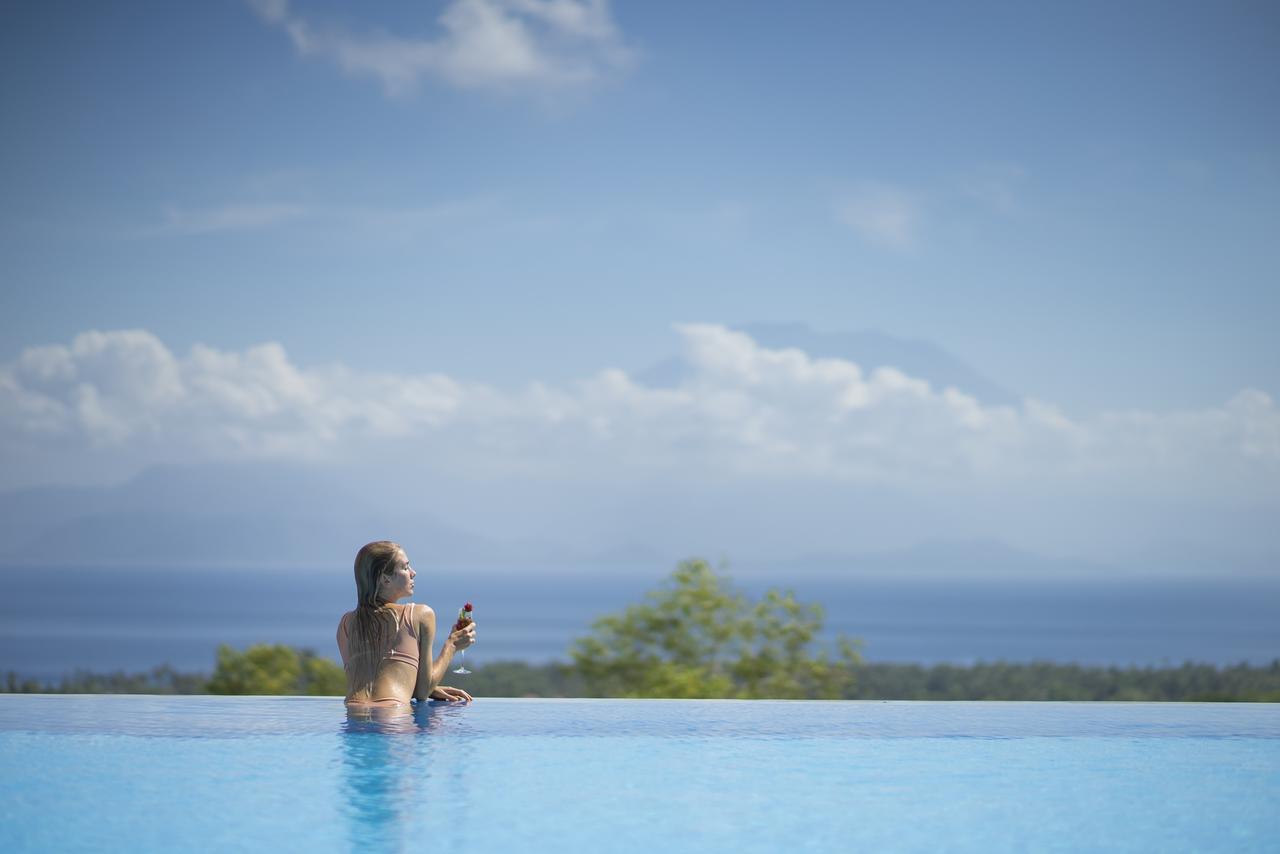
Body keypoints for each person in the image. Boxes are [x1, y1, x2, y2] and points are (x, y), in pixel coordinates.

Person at [336, 540, 476, 707]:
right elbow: (422, 695)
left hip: (353, 719)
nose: (413, 573)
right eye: (405, 567)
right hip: (394, 719)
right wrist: (451, 645)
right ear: (385, 579)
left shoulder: (346, 624)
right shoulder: (420, 615)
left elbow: (372, 680)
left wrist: (424, 687)